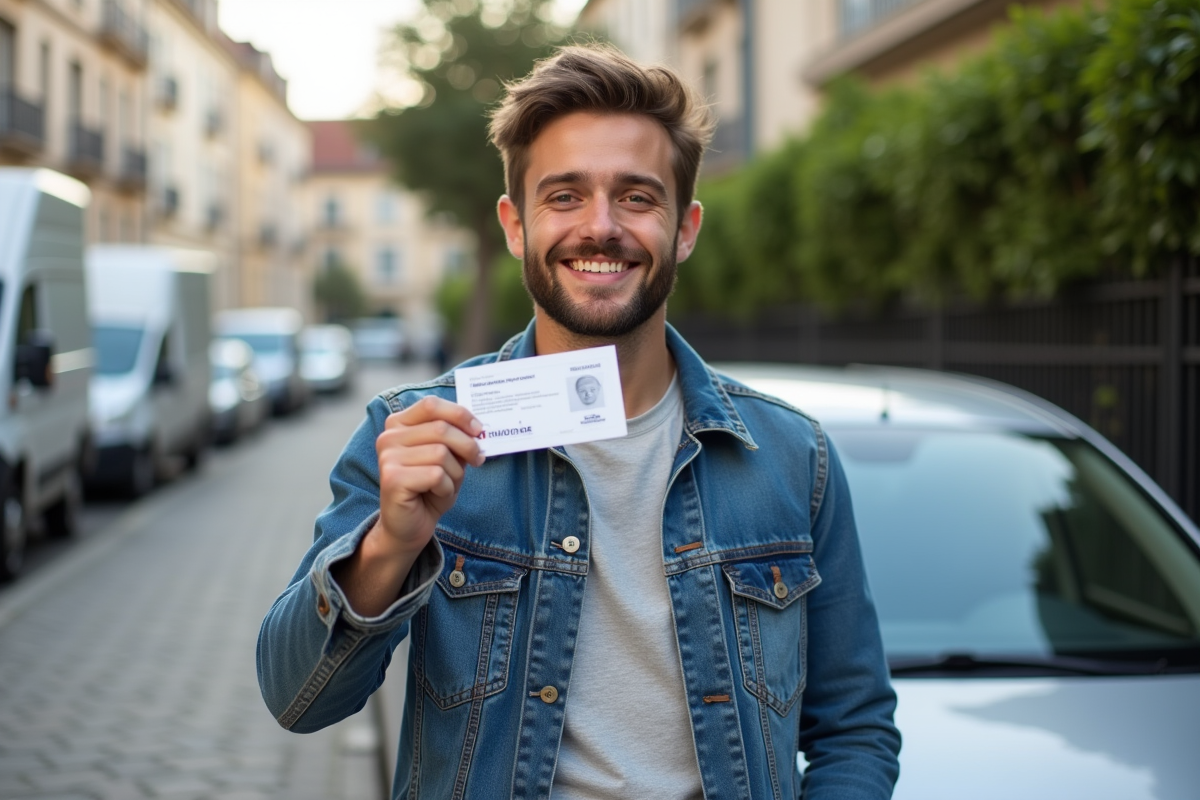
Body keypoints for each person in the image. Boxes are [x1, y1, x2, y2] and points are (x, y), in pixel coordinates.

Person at [257, 44, 900, 800]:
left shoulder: (794, 457)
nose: (600, 227)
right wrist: (390, 545)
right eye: (564, 196)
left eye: (636, 196)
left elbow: (855, 728)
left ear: (685, 227)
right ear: (515, 224)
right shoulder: (414, 437)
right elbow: (296, 699)